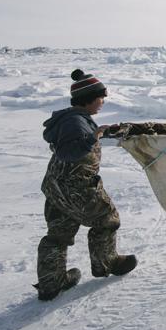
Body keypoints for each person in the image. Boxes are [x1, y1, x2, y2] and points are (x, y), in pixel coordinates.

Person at [34, 69, 137, 301]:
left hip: (55, 186)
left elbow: (73, 142)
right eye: (101, 97)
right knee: (108, 220)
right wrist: (94, 136)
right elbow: (72, 150)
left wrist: (100, 134)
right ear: (89, 98)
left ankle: (51, 283)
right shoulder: (75, 122)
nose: (103, 101)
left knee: (58, 235)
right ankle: (106, 263)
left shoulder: (72, 119)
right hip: (76, 187)